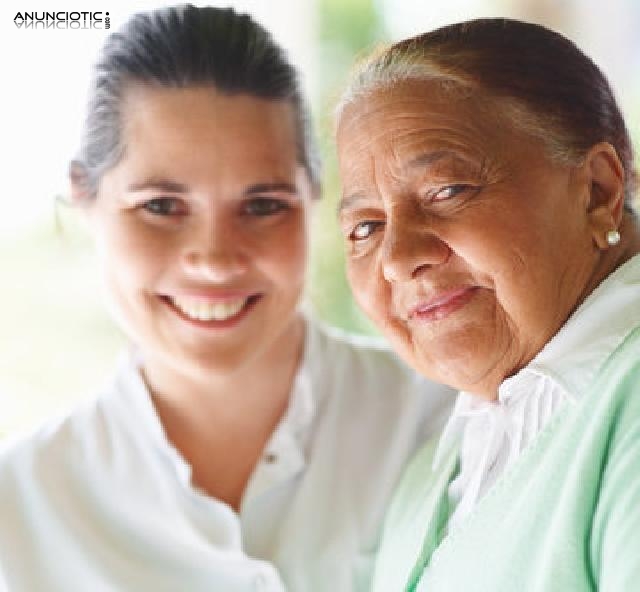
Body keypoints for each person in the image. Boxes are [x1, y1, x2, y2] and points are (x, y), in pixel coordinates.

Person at [0, 6, 455, 592]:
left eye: (262, 205)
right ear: (84, 200)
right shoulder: (20, 509)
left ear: (315, 200)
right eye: (160, 206)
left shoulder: (445, 423)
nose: (215, 259)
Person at [335, 17, 640, 592]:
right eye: (366, 227)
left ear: (598, 191)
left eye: (448, 191)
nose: (398, 258)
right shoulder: (434, 468)